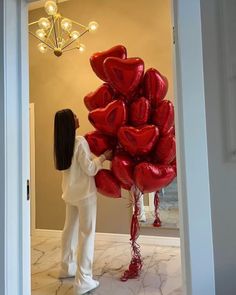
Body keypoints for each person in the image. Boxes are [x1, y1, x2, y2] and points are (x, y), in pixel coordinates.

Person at [54, 109, 112, 295]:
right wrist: (104, 157)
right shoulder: (79, 141)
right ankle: (83, 280)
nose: (77, 117)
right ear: (70, 122)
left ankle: (66, 268)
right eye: (74, 116)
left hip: (70, 194)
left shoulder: (61, 144)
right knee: (86, 234)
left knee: (69, 230)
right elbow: (90, 169)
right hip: (85, 195)